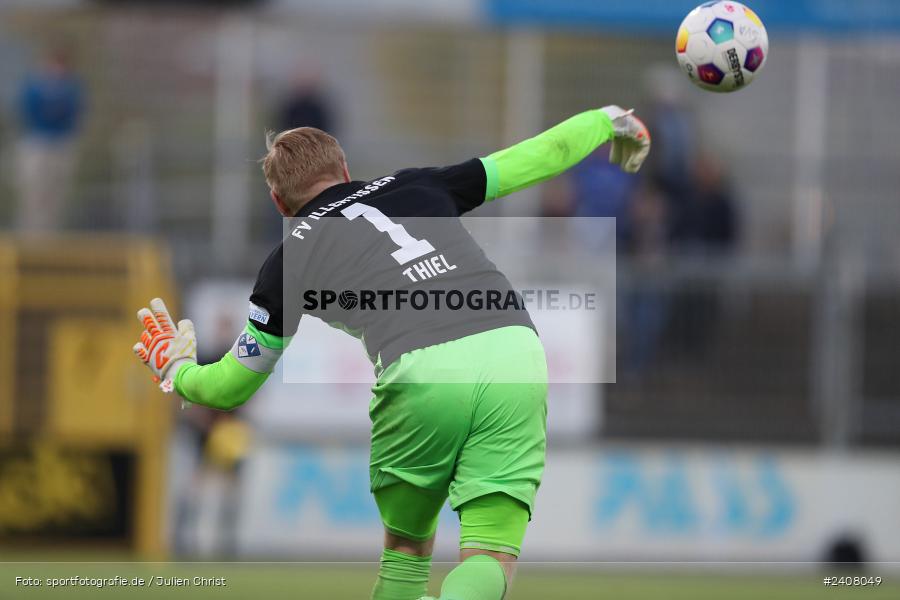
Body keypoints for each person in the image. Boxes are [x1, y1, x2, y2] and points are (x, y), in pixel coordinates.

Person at [132, 106, 650, 600]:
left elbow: (229, 388)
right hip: (513, 346)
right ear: (346, 170)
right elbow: (537, 155)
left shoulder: (288, 259)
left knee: (406, 546)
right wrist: (605, 121)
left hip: (421, 367)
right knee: (492, 553)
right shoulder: (419, 183)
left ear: (279, 204)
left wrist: (177, 371)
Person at [15, 47, 84, 233]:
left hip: (62, 144)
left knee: (57, 193)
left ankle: (52, 233)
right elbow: (26, 112)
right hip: (37, 143)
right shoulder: (34, 87)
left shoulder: (72, 89)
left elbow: (75, 115)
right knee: (34, 192)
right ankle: (31, 233)